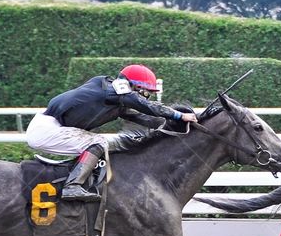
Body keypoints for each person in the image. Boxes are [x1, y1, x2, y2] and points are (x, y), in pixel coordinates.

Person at [26, 64, 198, 201]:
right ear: (132, 86)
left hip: (53, 126)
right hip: (47, 129)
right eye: (145, 92)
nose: (146, 97)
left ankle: (84, 183)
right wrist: (179, 115)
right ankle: (72, 186)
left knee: (101, 145)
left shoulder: (115, 98)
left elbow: (145, 118)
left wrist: (175, 123)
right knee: (98, 142)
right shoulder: (114, 90)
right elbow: (145, 106)